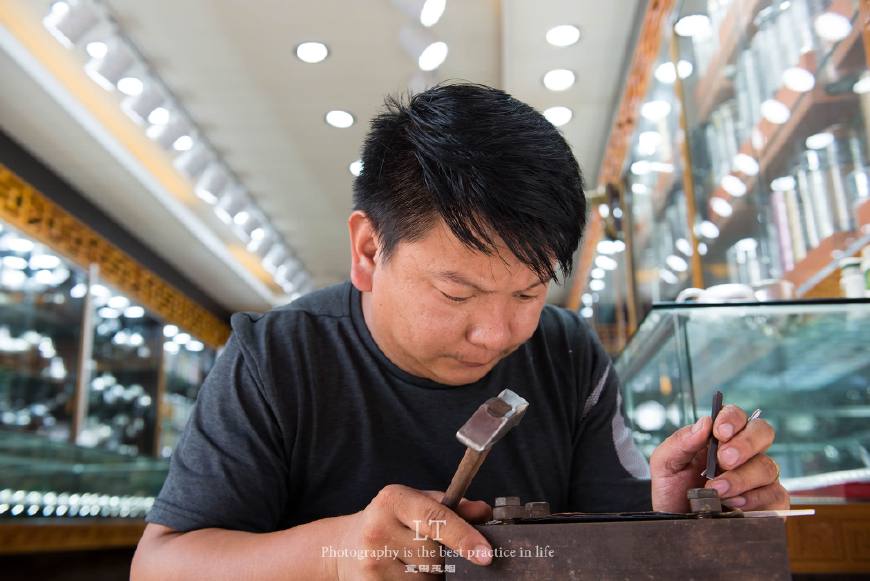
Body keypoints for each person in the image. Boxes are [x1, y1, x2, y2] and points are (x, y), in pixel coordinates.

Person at [131, 83, 788, 580]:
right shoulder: (277, 358)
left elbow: (609, 551)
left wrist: (668, 516)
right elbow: (158, 565)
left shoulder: (566, 353)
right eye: (457, 291)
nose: (499, 332)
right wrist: (335, 551)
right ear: (368, 250)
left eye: (530, 291)